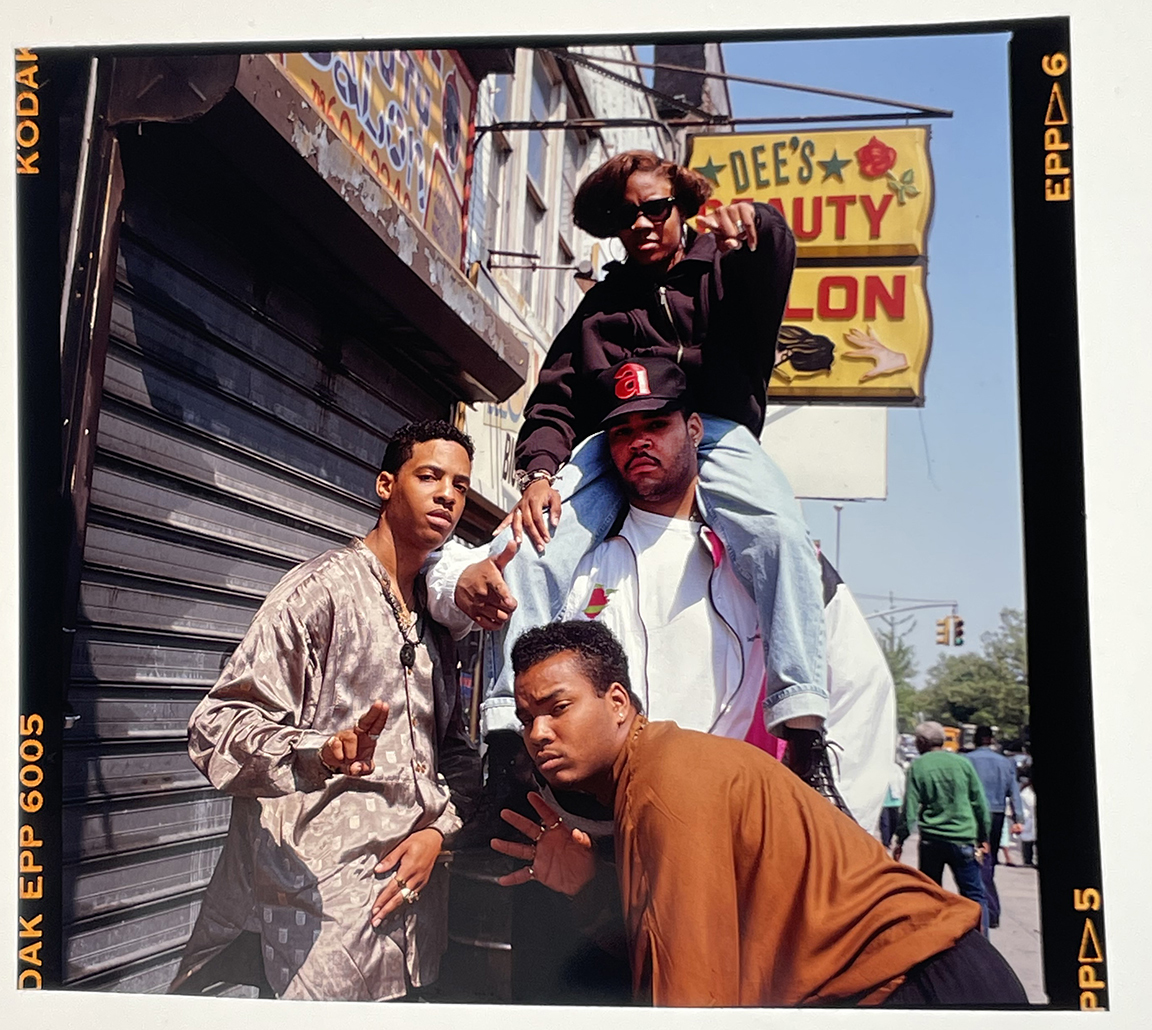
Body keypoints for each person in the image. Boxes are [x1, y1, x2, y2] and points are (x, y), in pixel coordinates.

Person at [438, 149, 830, 788]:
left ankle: (807, 740)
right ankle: (509, 742)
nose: (644, 223)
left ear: (682, 205)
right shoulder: (601, 306)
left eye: (656, 208)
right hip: (616, 437)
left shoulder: (723, 269)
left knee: (781, 535)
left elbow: (774, 258)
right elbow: (557, 398)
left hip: (713, 429)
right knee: (527, 545)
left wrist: (755, 225)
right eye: (627, 216)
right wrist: (538, 473)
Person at [434, 355, 896, 823]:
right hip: (592, 834)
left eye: (656, 424)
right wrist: (459, 583)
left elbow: (861, 688)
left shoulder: (778, 556)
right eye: (622, 432)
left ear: (695, 429)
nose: (640, 442)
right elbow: (443, 575)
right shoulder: (569, 547)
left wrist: (824, 833)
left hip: (737, 826)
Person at [490, 620, 1028, 1007]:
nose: (537, 733)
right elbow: (671, 945)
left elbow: (696, 999)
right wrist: (590, 886)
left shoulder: (665, 782)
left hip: (926, 988)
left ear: (617, 702)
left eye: (558, 708)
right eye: (525, 717)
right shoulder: (645, 778)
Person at [168, 420, 482, 1001]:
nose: (448, 495)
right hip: (320, 921)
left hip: (412, 920)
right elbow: (216, 727)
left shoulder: (437, 618)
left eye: (460, 486)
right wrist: (320, 752)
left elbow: (455, 754)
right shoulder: (319, 592)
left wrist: (440, 833)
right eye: (430, 476)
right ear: (386, 484)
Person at [894, 722, 992, 934]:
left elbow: (909, 809)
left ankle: (936, 941)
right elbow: (979, 803)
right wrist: (983, 836)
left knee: (932, 894)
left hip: (932, 841)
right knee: (974, 895)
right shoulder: (962, 763)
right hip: (963, 838)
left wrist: (900, 839)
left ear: (921, 742)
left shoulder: (918, 767)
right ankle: (983, 943)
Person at [964, 726, 1024, 928]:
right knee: (989, 860)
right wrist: (1018, 819)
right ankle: (988, 907)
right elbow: (1014, 792)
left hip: (973, 813)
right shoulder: (1005, 763)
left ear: (975, 739)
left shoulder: (967, 760)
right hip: (997, 813)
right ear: (991, 739)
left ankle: (987, 907)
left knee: (977, 860)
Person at [879, 757, 907, 850]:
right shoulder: (879, 768)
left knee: (894, 822)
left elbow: (902, 781)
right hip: (882, 801)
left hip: (895, 800)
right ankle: (885, 842)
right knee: (885, 822)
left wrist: (902, 795)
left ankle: (889, 838)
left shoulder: (896, 768)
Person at [1018, 776, 1037, 867]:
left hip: (1031, 819)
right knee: (1027, 841)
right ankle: (1027, 860)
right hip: (1028, 819)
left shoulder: (1029, 792)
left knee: (1031, 840)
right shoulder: (1026, 793)